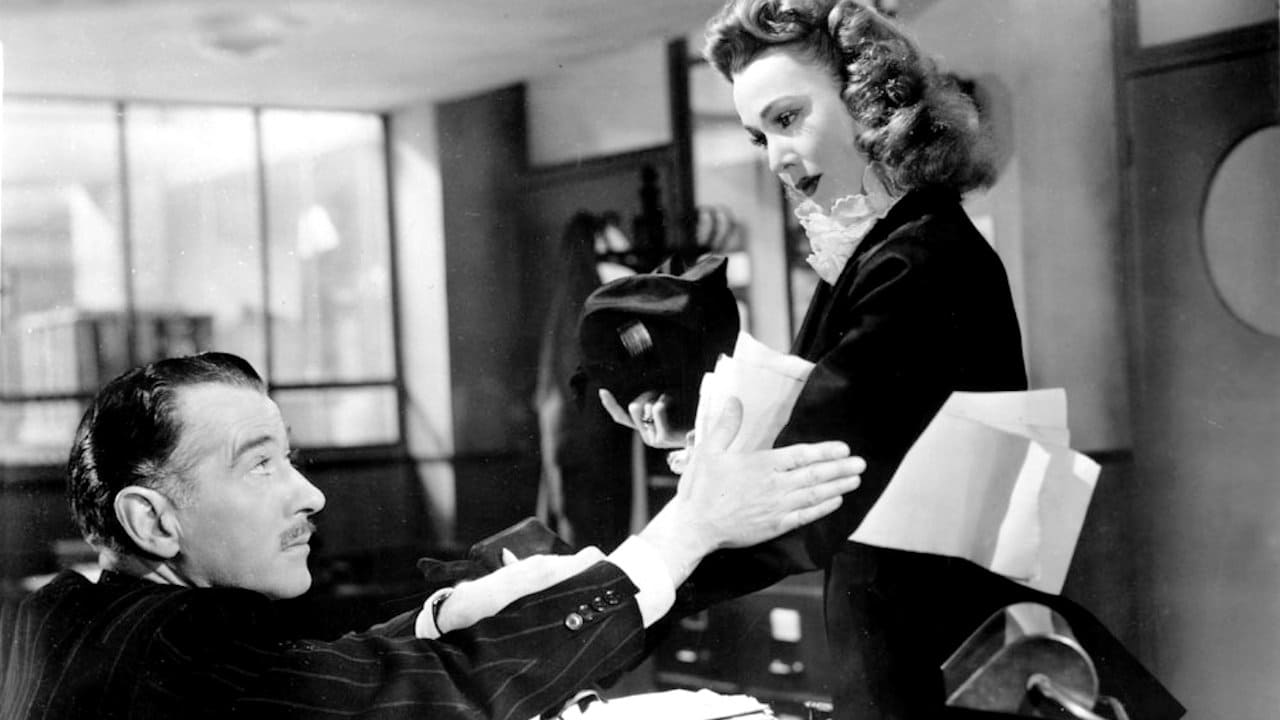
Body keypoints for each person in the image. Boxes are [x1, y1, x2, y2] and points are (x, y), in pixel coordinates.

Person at [598, 1, 1117, 718]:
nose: (775, 158)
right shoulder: (882, 250)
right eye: (759, 137)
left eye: (788, 119)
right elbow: (829, 414)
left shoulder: (917, 261)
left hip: (938, 664)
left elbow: (808, 472)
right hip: (919, 645)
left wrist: (611, 609)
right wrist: (697, 430)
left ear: (869, 100)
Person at [0, 352, 865, 720]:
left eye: (291, 457)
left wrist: (437, 618)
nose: (309, 493)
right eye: (259, 465)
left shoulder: (67, 615)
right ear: (152, 519)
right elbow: (422, 703)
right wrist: (687, 527)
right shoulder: (174, 660)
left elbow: (311, 682)